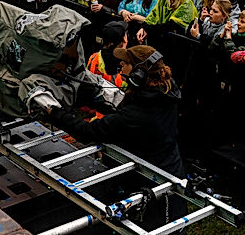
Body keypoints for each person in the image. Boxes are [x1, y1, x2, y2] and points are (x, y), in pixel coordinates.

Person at [45, 44, 185, 178]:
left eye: (126, 62)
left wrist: (54, 112)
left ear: (138, 74)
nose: (121, 64)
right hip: (170, 168)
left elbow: (88, 132)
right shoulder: (166, 92)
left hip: (147, 180)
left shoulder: (135, 116)